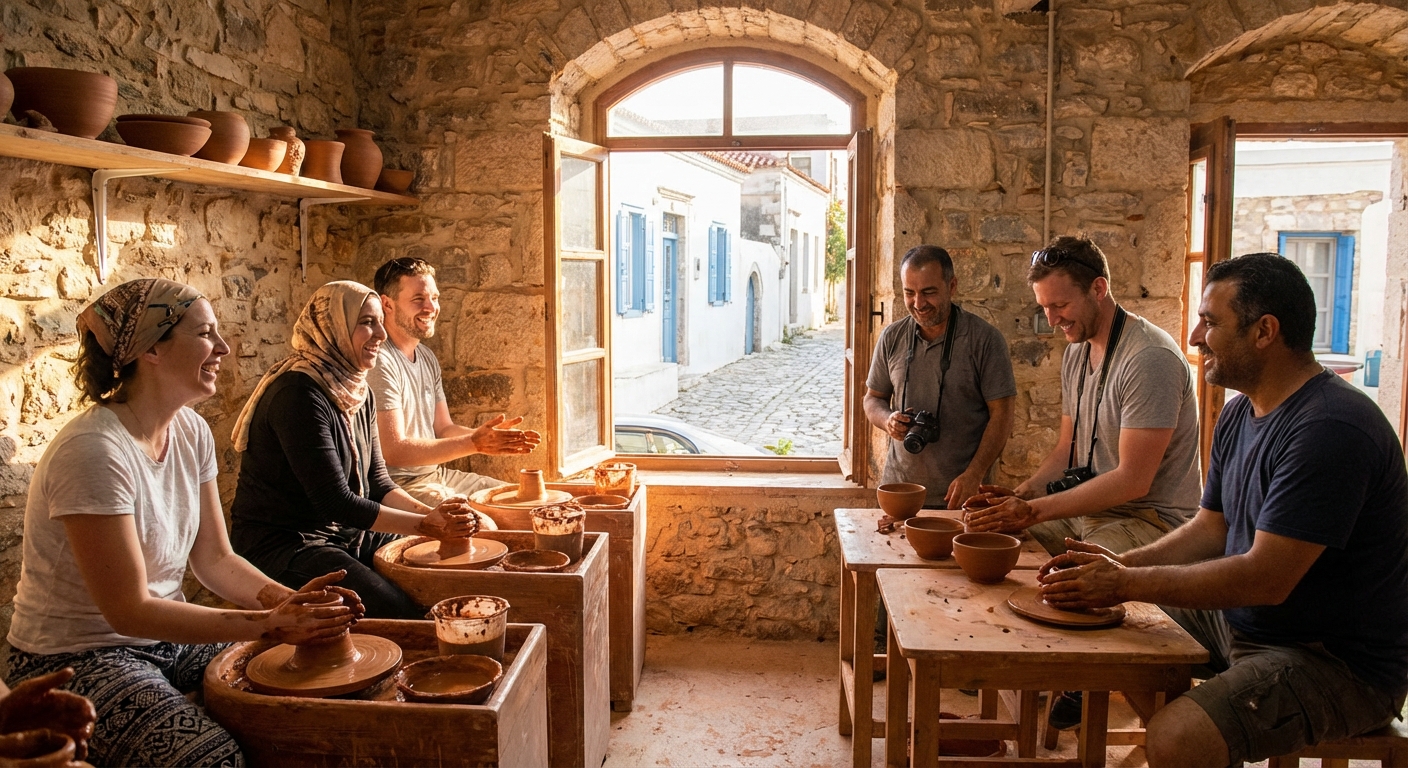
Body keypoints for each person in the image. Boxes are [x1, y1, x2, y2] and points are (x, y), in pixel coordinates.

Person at [1039, 253, 1408, 768]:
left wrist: (1123, 582)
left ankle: (1194, 738)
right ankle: (1214, 731)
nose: (1193, 337)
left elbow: (1265, 579)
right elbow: (1211, 529)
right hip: (1251, 626)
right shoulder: (1240, 411)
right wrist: (1121, 568)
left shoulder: (1330, 430)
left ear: (1265, 332)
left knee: (1175, 738)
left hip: (1333, 661)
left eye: (1210, 322)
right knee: (1109, 627)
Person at [5, 278, 363, 767]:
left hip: (161, 640)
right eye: (206, 334)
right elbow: (128, 610)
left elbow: (215, 558)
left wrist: (288, 602)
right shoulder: (93, 451)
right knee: (213, 759)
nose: (224, 348)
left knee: (312, 704)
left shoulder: (190, 430)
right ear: (152, 349)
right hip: (78, 659)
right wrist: (269, 626)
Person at [964, 235, 1200, 728]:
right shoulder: (1076, 352)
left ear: (1099, 288)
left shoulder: (1148, 359)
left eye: (1061, 305)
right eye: (1045, 307)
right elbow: (1065, 453)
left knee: (1074, 578)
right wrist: (1021, 497)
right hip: (1098, 510)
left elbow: (1133, 481)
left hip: (1152, 520)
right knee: (1000, 537)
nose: (1053, 319)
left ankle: (1080, 675)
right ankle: (1008, 667)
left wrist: (1036, 510)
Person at [229, 281, 478, 620]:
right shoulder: (299, 394)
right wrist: (425, 524)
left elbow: (378, 482)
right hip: (287, 546)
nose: (380, 334)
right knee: (398, 611)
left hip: (344, 535)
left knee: (437, 577)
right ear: (331, 328)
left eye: (379, 321)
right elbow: (336, 502)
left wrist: (434, 518)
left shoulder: (358, 391)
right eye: (366, 322)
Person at [368, 257, 540, 524]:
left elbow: (444, 428)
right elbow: (395, 450)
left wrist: (487, 439)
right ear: (386, 304)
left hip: (436, 476)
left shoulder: (425, 357)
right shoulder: (379, 361)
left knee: (522, 503)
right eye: (418, 299)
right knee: (483, 526)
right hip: (399, 487)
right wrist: (473, 443)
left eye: (434, 298)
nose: (431, 307)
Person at [864, 245, 1016, 509]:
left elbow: (1002, 416)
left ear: (952, 286)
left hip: (962, 496)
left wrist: (974, 474)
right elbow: (872, 399)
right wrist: (887, 420)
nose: (918, 304)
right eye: (909, 293)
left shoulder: (985, 340)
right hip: (899, 492)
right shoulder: (892, 337)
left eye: (929, 292)